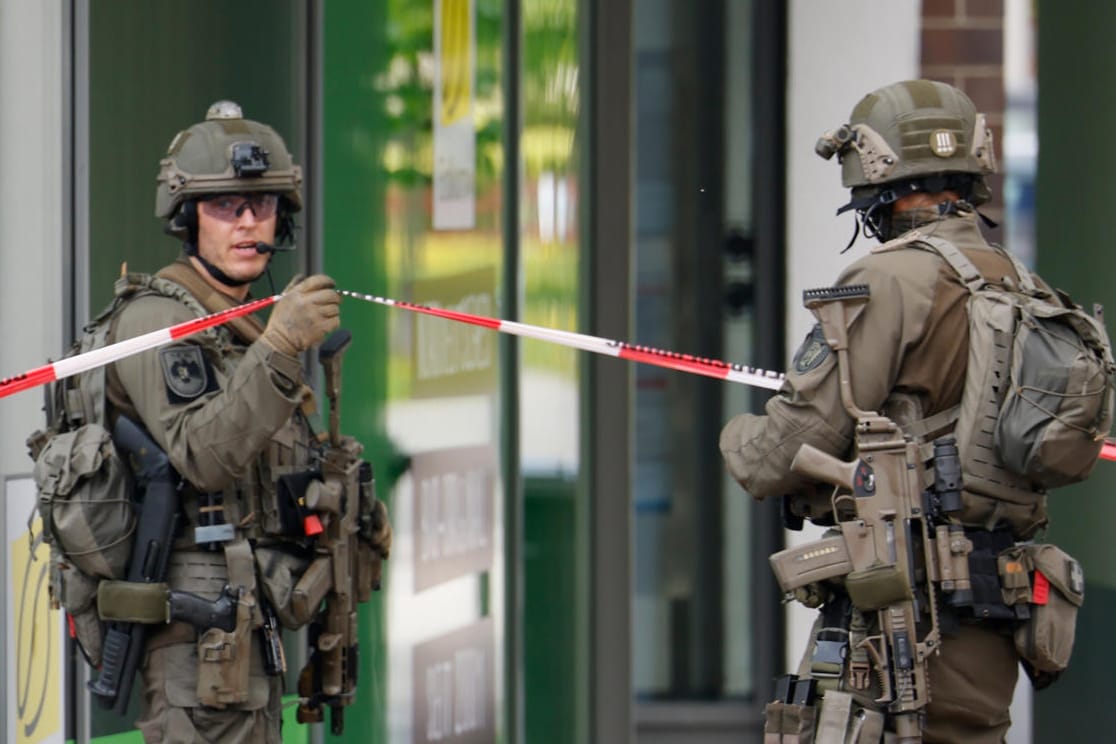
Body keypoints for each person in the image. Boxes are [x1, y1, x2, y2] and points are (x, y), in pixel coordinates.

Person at [720, 80, 1060, 743]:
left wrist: (738, 436)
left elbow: (788, 444)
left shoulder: (888, 279)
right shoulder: (1020, 282)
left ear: (876, 170)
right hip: (991, 613)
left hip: (898, 617)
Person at [99, 101, 391, 742]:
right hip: (195, 631)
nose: (249, 222)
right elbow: (203, 453)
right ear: (186, 216)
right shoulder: (157, 321)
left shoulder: (247, 321)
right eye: (225, 206)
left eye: (262, 205)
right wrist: (282, 347)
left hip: (251, 612)